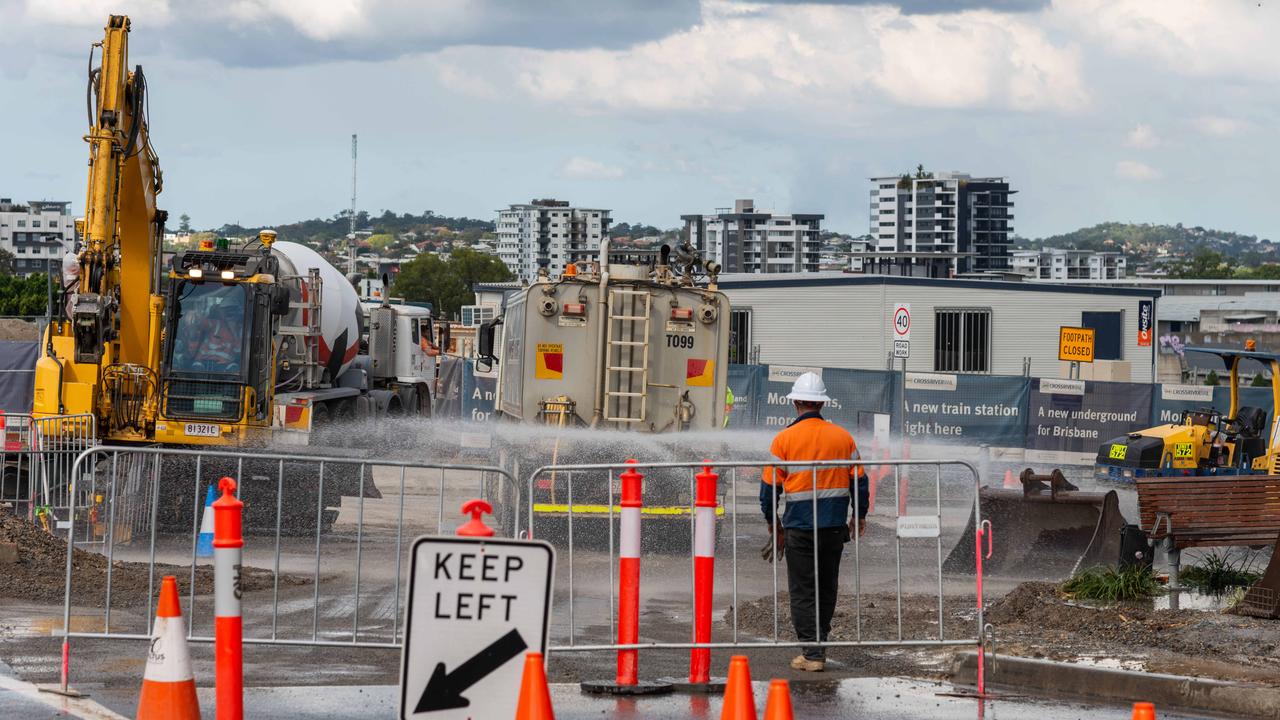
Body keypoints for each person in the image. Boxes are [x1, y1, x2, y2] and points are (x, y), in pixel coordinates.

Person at [760, 372, 869, 672]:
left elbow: (769, 490)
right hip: (834, 528)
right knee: (827, 587)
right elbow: (860, 482)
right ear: (821, 404)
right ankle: (818, 646)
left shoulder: (783, 439)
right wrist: (858, 515)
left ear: (795, 402)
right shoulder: (843, 438)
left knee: (803, 590)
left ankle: (812, 653)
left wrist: (774, 525)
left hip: (799, 529)